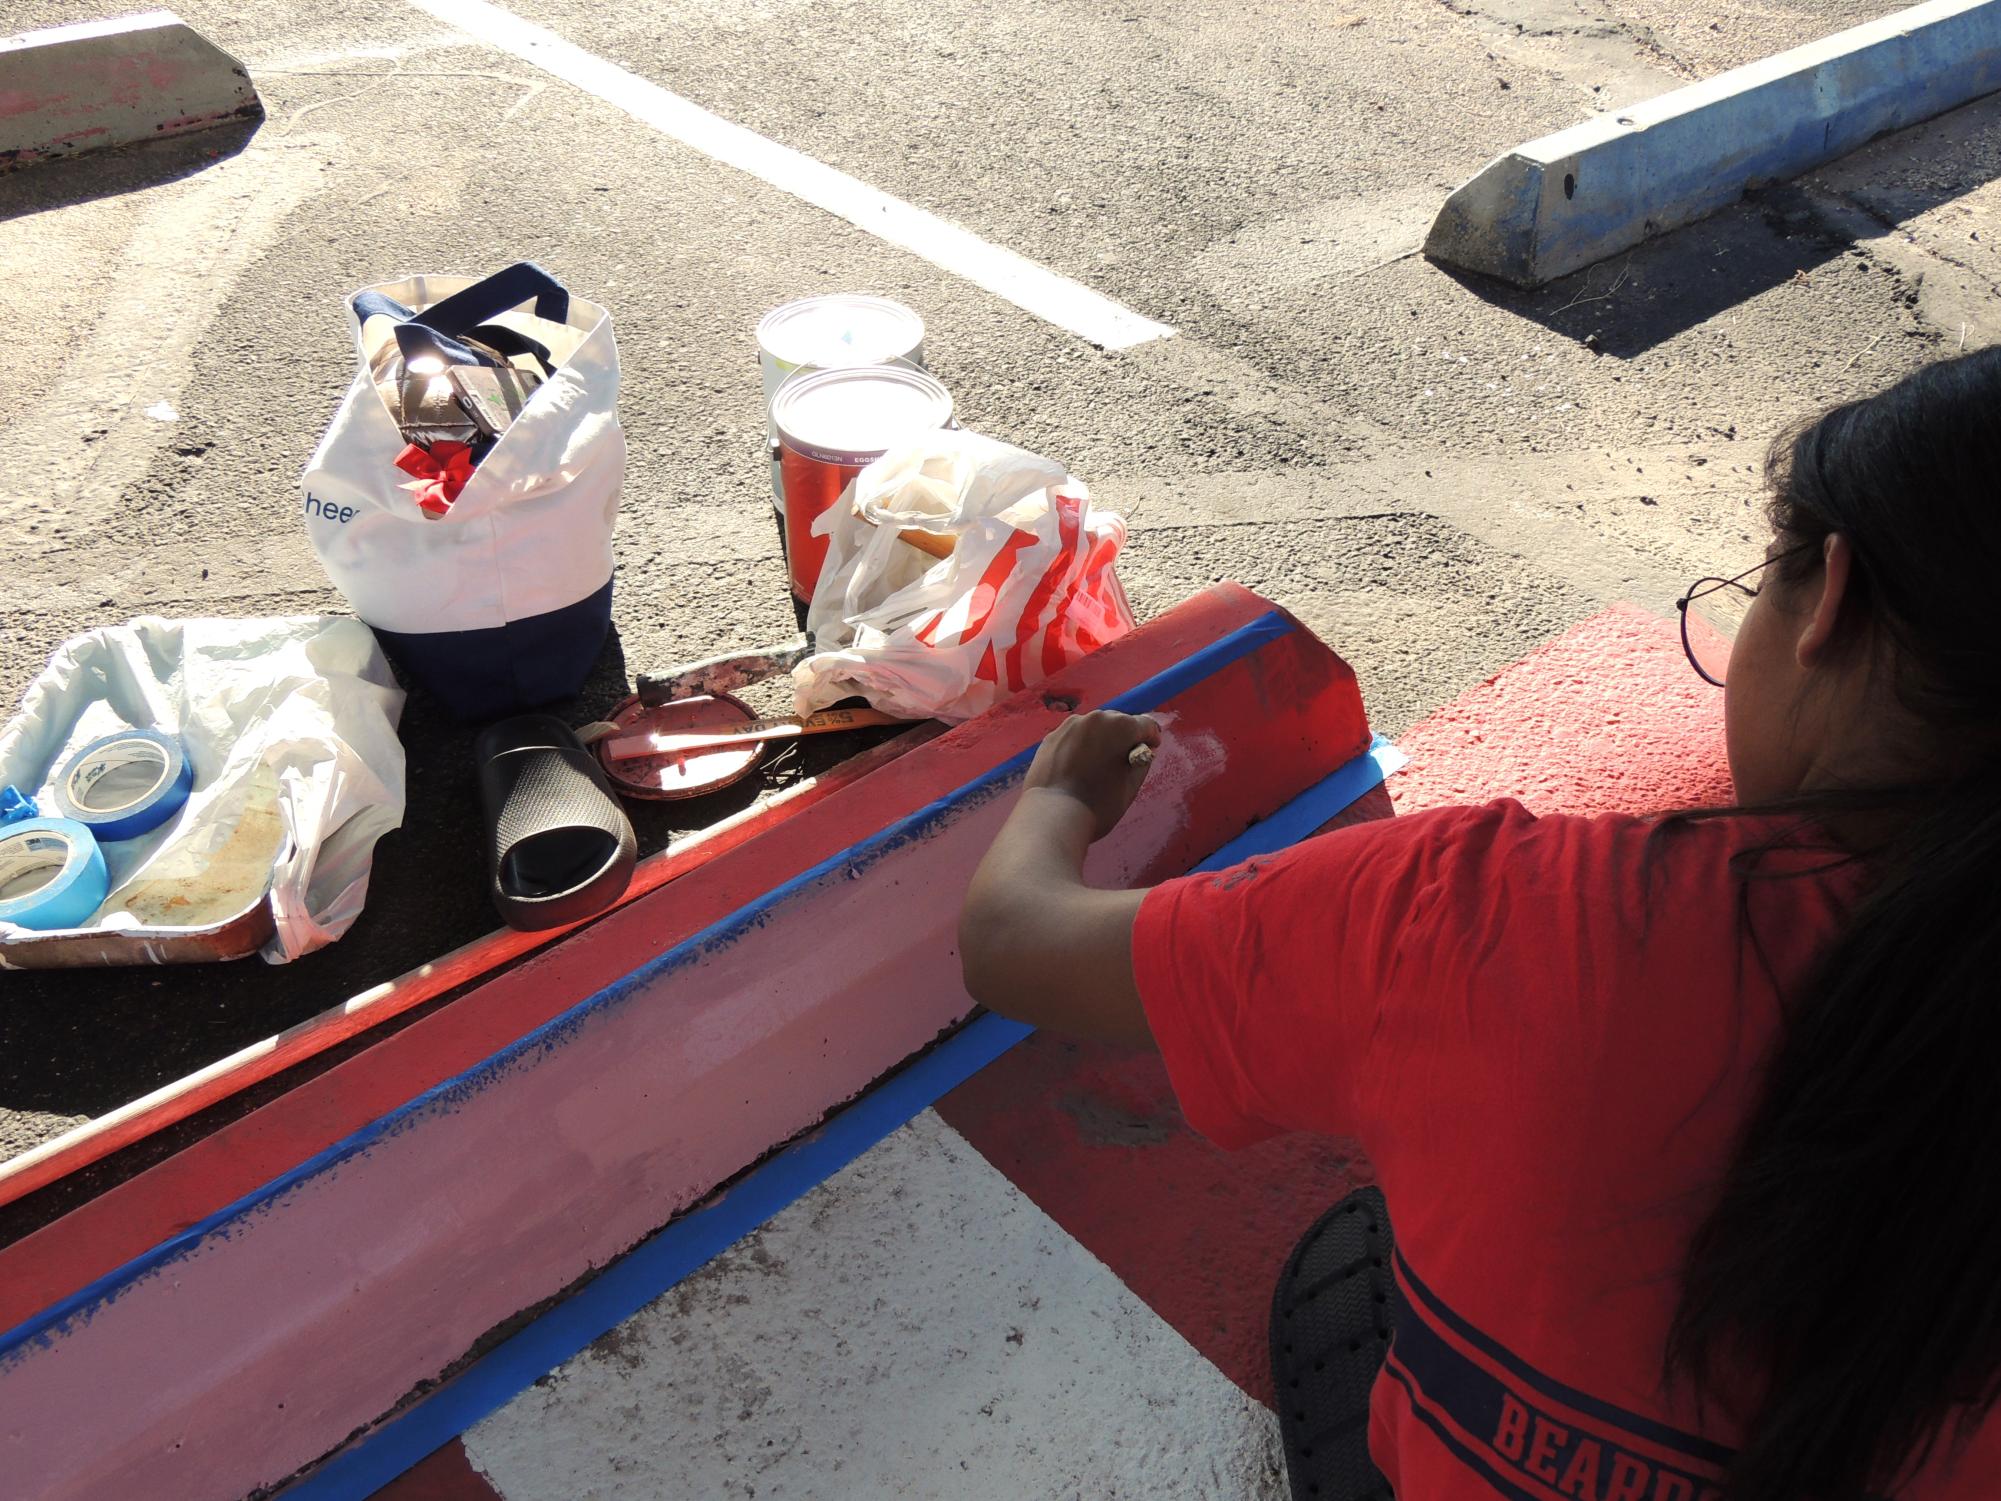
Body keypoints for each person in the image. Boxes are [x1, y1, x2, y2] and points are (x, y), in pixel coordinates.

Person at [958, 347, 2001, 1501]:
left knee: (1363, 1261)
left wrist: (1059, 796)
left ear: (1834, 601)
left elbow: (1012, 942)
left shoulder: (1492, 915)